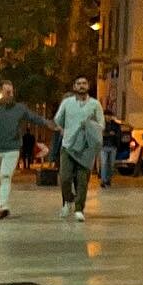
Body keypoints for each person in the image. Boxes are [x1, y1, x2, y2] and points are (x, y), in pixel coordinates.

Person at [0, 82, 53, 221]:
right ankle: (0, 206)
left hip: (12, 148)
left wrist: (48, 123)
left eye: (11, 92)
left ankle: (3, 206)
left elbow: (34, 117)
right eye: (7, 92)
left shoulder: (19, 109)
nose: (10, 95)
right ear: (0, 93)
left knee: (5, 176)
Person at [52, 76, 104, 221]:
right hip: (68, 146)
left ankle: (79, 209)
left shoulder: (95, 104)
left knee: (82, 181)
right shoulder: (67, 103)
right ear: (74, 87)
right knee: (65, 178)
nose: (81, 86)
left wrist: (90, 126)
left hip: (86, 149)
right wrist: (63, 129)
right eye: (79, 83)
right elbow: (58, 120)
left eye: (84, 83)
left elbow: (101, 125)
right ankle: (68, 200)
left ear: (88, 86)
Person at [99, 113, 126, 188]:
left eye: (109, 116)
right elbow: (100, 133)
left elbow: (119, 135)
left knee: (111, 165)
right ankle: (103, 181)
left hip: (113, 147)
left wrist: (118, 145)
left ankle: (108, 180)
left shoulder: (116, 125)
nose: (107, 117)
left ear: (111, 117)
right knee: (104, 164)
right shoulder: (102, 124)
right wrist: (109, 134)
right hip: (104, 147)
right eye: (106, 116)